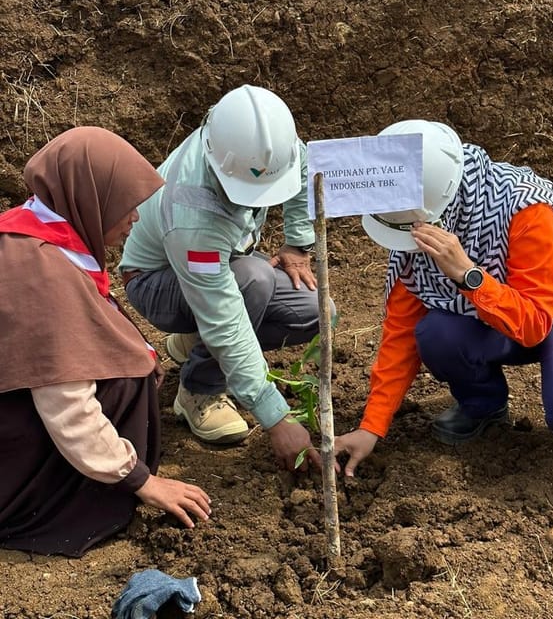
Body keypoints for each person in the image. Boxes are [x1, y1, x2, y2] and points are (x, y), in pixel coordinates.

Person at [335, 119, 553, 476]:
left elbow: (535, 324)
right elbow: (400, 332)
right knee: (436, 332)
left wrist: (468, 275)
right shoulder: (418, 228)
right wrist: (371, 427)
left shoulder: (524, 206)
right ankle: (483, 405)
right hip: (499, 317)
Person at [0, 127, 212, 557]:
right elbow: (65, 401)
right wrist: (139, 479)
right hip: (11, 456)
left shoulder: (32, 230)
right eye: (125, 206)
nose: (135, 218)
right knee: (120, 380)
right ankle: (57, 502)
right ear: (89, 200)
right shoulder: (43, 273)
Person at [120, 84, 326, 471]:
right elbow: (224, 315)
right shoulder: (191, 211)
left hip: (225, 265)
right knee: (253, 280)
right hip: (154, 280)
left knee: (317, 313)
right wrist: (275, 416)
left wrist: (299, 244)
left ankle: (193, 342)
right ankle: (199, 390)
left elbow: (302, 164)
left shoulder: (264, 145)